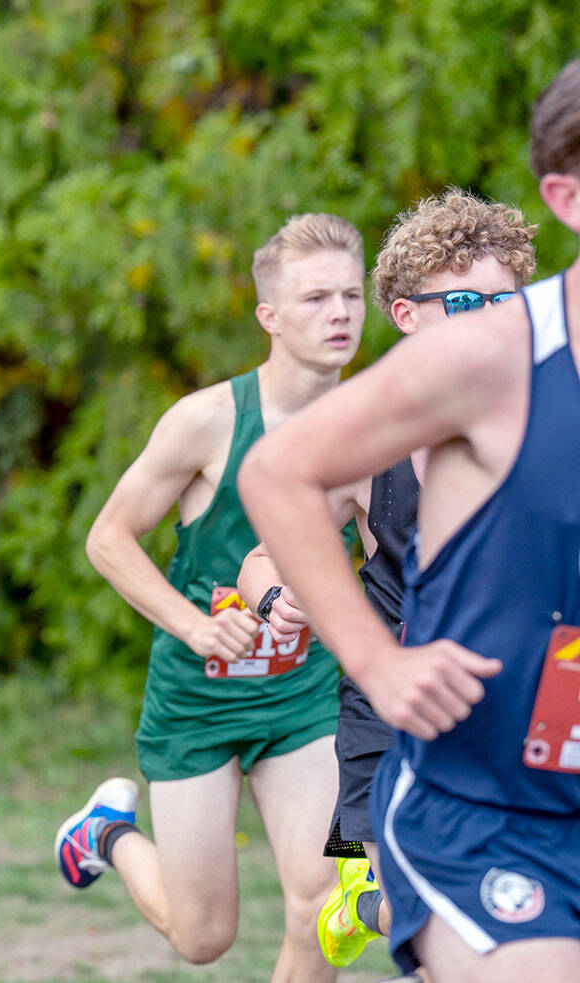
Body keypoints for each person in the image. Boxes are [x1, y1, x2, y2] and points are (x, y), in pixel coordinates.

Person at [238, 60, 580, 983]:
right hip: (451, 753)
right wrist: (353, 642)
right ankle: (374, 894)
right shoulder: (475, 375)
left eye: (494, 296)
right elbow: (275, 501)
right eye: (460, 303)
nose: (481, 317)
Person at [54, 213, 366, 981]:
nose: (339, 314)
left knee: (325, 901)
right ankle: (105, 833)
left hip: (307, 698)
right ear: (269, 317)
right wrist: (194, 625)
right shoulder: (208, 420)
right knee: (202, 938)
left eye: (352, 296)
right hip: (199, 698)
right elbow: (109, 537)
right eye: (316, 298)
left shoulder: (376, 423)